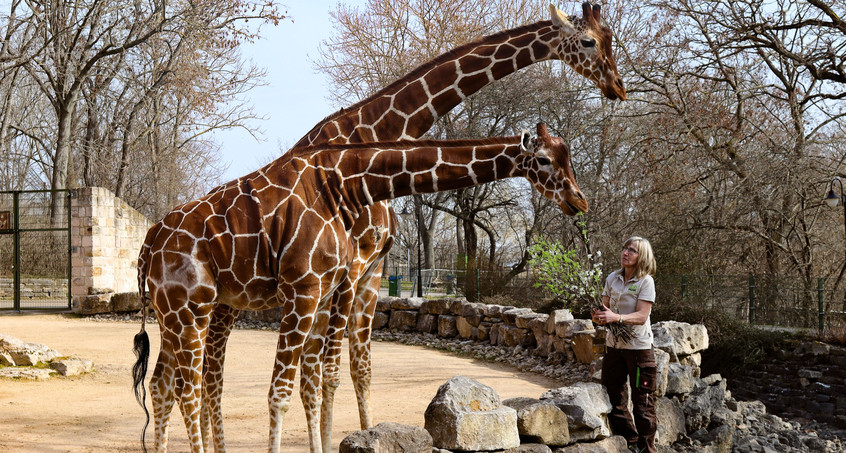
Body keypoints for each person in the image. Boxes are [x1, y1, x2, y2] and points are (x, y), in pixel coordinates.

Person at [592, 236, 657, 453]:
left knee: (643, 403)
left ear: (643, 257)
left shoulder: (646, 281)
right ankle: (630, 442)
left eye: (632, 250)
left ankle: (647, 449)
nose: (626, 252)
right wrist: (598, 316)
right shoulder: (612, 277)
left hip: (639, 350)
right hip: (614, 346)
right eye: (624, 248)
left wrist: (616, 318)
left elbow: (641, 316)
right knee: (613, 396)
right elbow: (605, 308)